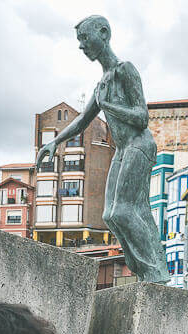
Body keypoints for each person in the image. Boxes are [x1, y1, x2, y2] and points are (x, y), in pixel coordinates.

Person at [34, 15, 170, 284]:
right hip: (122, 150)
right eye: (79, 40)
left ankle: (155, 272)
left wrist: (110, 107)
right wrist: (54, 142)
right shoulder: (102, 85)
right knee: (110, 215)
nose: (82, 46)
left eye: (85, 38)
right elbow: (81, 121)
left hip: (139, 144)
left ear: (104, 34)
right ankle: (146, 270)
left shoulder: (125, 70)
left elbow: (142, 117)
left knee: (124, 211)